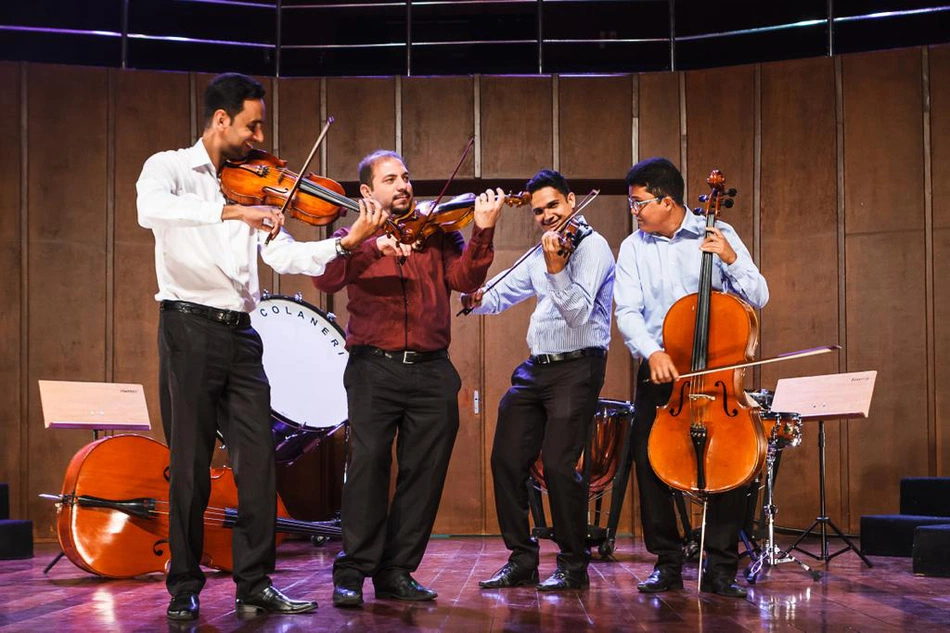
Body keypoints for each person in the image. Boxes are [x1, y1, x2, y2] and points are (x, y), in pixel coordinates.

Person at [136, 72, 388, 621]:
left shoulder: (254, 182)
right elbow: (150, 212)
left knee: (258, 465)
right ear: (221, 120)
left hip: (242, 337)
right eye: (252, 126)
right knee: (190, 466)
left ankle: (254, 583)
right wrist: (233, 211)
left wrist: (347, 241)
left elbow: (287, 258)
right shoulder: (170, 168)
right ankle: (184, 585)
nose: (258, 138)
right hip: (188, 328)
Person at [311, 150, 504, 608]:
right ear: (367, 191)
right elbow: (326, 279)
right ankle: (354, 570)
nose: (403, 185)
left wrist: (483, 228)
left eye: (406, 177)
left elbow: (464, 277)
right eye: (390, 179)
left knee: (424, 473)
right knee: (368, 468)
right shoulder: (348, 236)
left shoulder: (437, 235)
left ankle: (396, 570)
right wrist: (367, 243)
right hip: (373, 368)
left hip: (433, 369)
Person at [613, 157, 769, 599]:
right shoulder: (633, 247)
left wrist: (731, 258)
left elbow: (759, 294)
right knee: (650, 462)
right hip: (663, 367)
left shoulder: (719, 234)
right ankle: (666, 562)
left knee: (731, 460)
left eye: (639, 202)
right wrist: (652, 350)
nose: (634, 210)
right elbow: (626, 311)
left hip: (717, 369)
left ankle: (721, 567)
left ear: (667, 200)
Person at [463, 169, 615, 591]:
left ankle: (572, 564)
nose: (546, 216)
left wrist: (555, 268)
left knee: (561, 466)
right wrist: (471, 295)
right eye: (538, 211)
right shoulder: (538, 252)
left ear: (570, 200)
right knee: (506, 459)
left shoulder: (593, 247)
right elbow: (497, 295)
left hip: (579, 365)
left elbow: (578, 312)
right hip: (536, 368)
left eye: (553, 206)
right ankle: (522, 558)